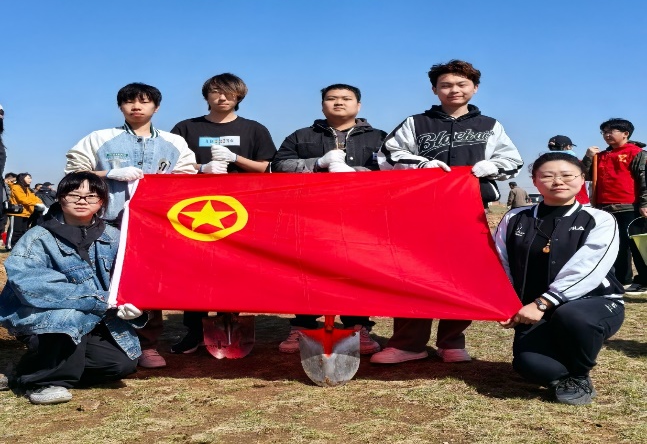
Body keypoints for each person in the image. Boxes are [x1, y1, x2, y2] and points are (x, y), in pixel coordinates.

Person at [371, 59, 523, 364]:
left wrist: (492, 166)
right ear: (434, 90)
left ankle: (452, 342)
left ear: (475, 88)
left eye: (462, 84)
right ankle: (408, 344)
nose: (454, 89)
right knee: (415, 274)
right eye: (446, 85)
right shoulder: (416, 122)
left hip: (470, 210)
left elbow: (513, 161)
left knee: (463, 275)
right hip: (419, 210)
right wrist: (421, 164)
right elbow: (387, 155)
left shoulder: (490, 125)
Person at [65, 83, 197, 368]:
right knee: (102, 279)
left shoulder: (174, 143)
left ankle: (147, 345)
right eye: (129, 102)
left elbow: (187, 177)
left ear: (156, 108)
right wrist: (108, 173)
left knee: (146, 282)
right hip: (106, 222)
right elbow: (73, 172)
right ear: (120, 106)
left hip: (153, 225)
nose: (136, 107)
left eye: (144, 101)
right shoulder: (99, 138)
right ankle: (101, 341)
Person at [0, 172, 146, 405]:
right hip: (45, 318)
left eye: (91, 196)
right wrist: (99, 299)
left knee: (119, 364)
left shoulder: (115, 237)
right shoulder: (37, 237)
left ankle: (29, 371)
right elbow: (30, 283)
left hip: (96, 318)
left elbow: (131, 277)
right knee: (69, 317)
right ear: (60, 198)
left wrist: (132, 303)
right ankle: (44, 382)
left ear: (102, 201)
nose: (82, 201)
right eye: (74, 195)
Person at [494, 152, 624, 405]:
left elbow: (587, 268)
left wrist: (543, 303)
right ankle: (563, 375)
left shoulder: (599, 219)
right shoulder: (514, 218)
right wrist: (507, 303)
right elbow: (501, 261)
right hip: (534, 309)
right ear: (535, 180)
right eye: (548, 176)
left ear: (582, 179)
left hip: (591, 304)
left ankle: (579, 376)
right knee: (529, 365)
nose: (558, 182)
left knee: (572, 316)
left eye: (567, 175)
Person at [271, 83, 386, 355]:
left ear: (358, 105)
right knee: (307, 269)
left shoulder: (380, 137)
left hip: (360, 216)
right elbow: (278, 165)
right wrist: (317, 164)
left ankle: (358, 326)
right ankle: (302, 326)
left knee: (357, 270)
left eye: (346, 98)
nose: (339, 103)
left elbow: (391, 168)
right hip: (311, 215)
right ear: (322, 105)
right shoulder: (301, 136)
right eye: (332, 98)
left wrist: (354, 172)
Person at [169, 73, 277, 354]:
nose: (222, 98)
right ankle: (194, 329)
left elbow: (265, 167)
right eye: (216, 92)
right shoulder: (186, 128)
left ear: (239, 96)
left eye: (229, 93)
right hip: (195, 209)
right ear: (206, 96)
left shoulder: (254, 129)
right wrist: (201, 168)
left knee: (234, 268)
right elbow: (170, 165)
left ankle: (231, 320)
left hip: (241, 209)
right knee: (195, 269)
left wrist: (235, 158)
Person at [582, 118, 647, 292]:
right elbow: (584, 176)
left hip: (631, 206)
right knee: (616, 245)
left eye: (611, 131)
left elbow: (644, 179)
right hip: (604, 207)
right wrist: (588, 157)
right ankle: (623, 280)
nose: (606, 135)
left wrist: (645, 203)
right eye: (604, 132)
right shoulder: (600, 156)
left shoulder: (637, 153)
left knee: (637, 244)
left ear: (625, 133)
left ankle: (644, 280)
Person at [547, 135, 590, 205]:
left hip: (552, 203)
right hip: (578, 202)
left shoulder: (543, 164)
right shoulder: (575, 162)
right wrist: (588, 157)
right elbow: (588, 175)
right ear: (568, 147)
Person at [8, 173, 45, 249]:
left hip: (26, 213)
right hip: (17, 212)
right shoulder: (16, 187)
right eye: (28, 178)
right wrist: (35, 203)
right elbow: (22, 199)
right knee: (15, 231)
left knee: (22, 231)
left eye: (30, 178)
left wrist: (40, 203)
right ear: (22, 179)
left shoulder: (27, 189)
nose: (30, 180)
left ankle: (18, 246)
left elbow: (34, 197)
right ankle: (10, 246)